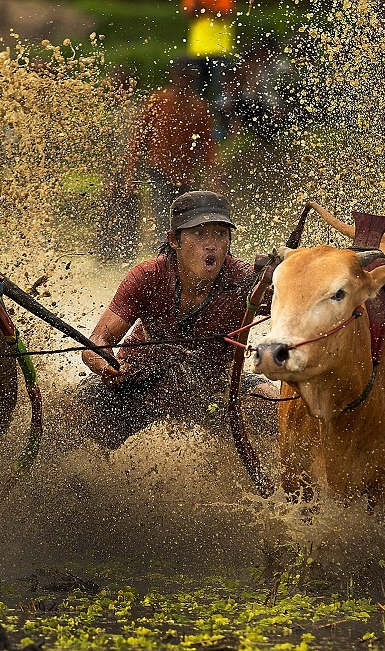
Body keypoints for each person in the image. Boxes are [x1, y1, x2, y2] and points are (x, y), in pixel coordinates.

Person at [79, 190, 278, 450]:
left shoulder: (246, 282)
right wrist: (106, 366)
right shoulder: (148, 276)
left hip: (212, 390)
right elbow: (96, 341)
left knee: (278, 406)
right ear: (174, 240)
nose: (211, 244)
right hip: (140, 385)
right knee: (72, 416)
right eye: (199, 234)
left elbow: (303, 308)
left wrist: (283, 277)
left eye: (220, 234)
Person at [111, 60, 219, 253]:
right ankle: (162, 257)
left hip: (186, 173)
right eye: (181, 75)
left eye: (189, 76)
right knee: (162, 214)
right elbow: (141, 136)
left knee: (185, 218)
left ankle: (179, 255)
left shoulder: (198, 106)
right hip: (159, 170)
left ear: (193, 78)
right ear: (175, 76)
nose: (184, 80)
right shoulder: (159, 100)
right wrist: (131, 168)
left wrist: (214, 174)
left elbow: (207, 144)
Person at [182, 0, 236, 139]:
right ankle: (195, 128)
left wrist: (204, 6)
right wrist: (211, 7)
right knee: (197, 94)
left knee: (220, 92)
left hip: (220, 50)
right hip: (197, 50)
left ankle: (222, 130)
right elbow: (190, 12)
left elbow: (224, 14)